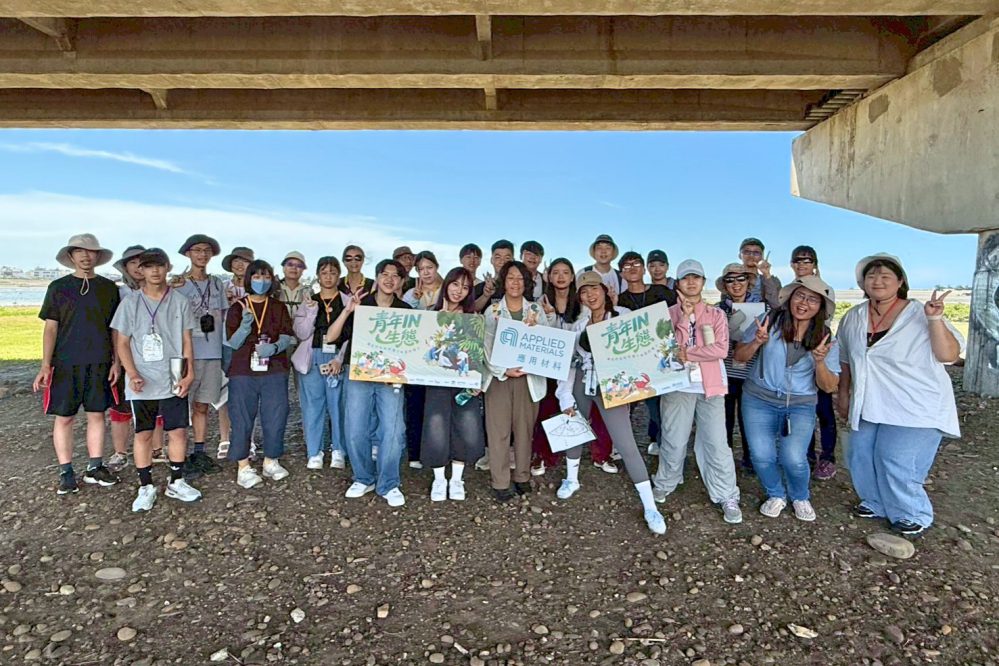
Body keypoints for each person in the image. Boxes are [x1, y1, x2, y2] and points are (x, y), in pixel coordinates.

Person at [837, 254, 962, 537]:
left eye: (885, 277)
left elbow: (949, 355)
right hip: (869, 400)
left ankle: (912, 513)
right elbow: (846, 359)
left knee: (895, 458)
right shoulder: (854, 316)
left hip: (915, 403)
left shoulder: (920, 312)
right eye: (871, 276)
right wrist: (843, 395)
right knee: (860, 454)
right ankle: (876, 502)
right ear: (863, 283)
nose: (877, 281)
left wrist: (935, 318)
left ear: (900, 282)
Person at [553, 271, 668, 535]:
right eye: (583, 291)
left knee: (626, 442)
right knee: (574, 428)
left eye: (594, 289)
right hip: (584, 381)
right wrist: (565, 395)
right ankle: (571, 479)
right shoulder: (578, 324)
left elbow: (644, 346)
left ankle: (650, 505)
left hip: (612, 388)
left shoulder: (622, 317)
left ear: (605, 290)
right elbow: (570, 364)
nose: (590, 295)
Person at [734, 276, 839, 522]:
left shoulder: (824, 336)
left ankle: (800, 496)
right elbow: (739, 356)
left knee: (794, 457)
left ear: (821, 307)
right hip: (758, 399)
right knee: (761, 455)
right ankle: (776, 494)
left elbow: (829, 385)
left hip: (801, 403)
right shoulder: (769, 322)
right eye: (800, 296)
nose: (804, 303)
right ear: (790, 298)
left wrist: (820, 361)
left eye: (813, 299)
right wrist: (756, 342)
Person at [652, 260, 743, 524]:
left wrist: (689, 353)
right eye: (685, 279)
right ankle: (666, 481)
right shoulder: (667, 314)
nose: (691, 283)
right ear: (677, 283)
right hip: (677, 385)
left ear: (703, 282)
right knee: (673, 437)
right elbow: (666, 350)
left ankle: (727, 493)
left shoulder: (716, 315)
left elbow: (720, 350)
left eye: (696, 278)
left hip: (710, 385)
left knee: (716, 441)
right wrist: (683, 318)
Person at [111, 248, 202, 511]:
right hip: (142, 380)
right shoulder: (130, 302)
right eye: (148, 266)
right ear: (140, 270)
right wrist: (132, 373)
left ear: (167, 267)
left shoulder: (180, 301)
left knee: (177, 431)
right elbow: (123, 343)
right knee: (143, 433)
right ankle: (145, 485)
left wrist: (190, 372)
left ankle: (176, 481)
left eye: (159, 266)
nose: (154, 271)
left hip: (173, 376)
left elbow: (186, 340)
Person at [33, 233, 121, 495]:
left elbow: (115, 330)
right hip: (65, 362)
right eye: (79, 251)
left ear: (97, 256)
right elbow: (51, 328)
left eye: (91, 251)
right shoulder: (58, 287)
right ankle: (66, 470)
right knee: (65, 418)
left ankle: (95, 466)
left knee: (97, 414)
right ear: (71, 257)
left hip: (100, 361)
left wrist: (116, 362)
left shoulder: (108, 288)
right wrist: (45, 364)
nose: (85, 256)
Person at [328, 259, 412, 507]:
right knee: (355, 429)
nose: (389, 279)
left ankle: (389, 482)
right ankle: (363, 477)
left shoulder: (406, 310)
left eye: (395, 276)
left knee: (394, 431)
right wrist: (347, 310)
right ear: (376, 277)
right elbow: (331, 337)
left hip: (391, 379)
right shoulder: (360, 305)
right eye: (384, 274)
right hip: (359, 376)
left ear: (401, 281)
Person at [530, 258, 616, 476]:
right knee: (547, 408)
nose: (560, 276)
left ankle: (601, 454)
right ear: (548, 276)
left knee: (595, 410)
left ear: (572, 277)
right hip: (549, 364)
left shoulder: (583, 303)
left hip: (580, 365)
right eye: (555, 272)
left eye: (565, 272)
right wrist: (548, 315)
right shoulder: (540, 301)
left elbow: (583, 333)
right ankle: (544, 455)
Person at [482, 261, 556, 502]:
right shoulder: (492, 311)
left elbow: (547, 344)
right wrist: (503, 369)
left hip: (529, 378)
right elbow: (486, 348)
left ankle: (522, 476)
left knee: (524, 430)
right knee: (498, 431)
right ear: (503, 282)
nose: (515, 282)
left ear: (527, 283)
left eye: (520, 278)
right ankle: (500, 481)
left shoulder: (535, 310)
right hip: (499, 379)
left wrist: (548, 321)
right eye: (510, 278)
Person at [224, 260, 295, 489]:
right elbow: (232, 343)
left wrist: (274, 347)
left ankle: (271, 460)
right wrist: (245, 325)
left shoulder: (278, 307)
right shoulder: (238, 307)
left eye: (265, 277)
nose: (261, 281)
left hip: (274, 369)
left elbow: (289, 336)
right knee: (242, 416)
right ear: (248, 279)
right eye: (256, 276)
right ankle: (243, 466)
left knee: (276, 414)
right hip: (243, 370)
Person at [421, 267, 486, 501]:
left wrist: (478, 379)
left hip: (464, 380)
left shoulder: (474, 319)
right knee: (435, 424)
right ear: (446, 285)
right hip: (435, 379)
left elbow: (479, 352)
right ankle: (439, 479)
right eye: (455, 284)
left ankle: (457, 479)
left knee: (466, 425)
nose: (459, 291)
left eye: (466, 287)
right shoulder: (430, 314)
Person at [174, 234, 226, 477]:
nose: (202, 254)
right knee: (181, 406)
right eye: (197, 250)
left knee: (203, 405)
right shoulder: (178, 285)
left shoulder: (217, 284)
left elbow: (224, 319)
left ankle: (199, 451)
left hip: (213, 353)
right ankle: (179, 456)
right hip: (186, 355)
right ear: (188, 254)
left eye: (207, 250)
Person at [108, 244, 163, 473]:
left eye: (144, 263)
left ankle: (158, 449)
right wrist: (117, 361)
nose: (139, 268)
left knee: (157, 405)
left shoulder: (163, 292)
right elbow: (115, 331)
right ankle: (120, 452)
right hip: (127, 357)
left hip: (156, 359)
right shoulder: (119, 293)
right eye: (133, 263)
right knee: (121, 406)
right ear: (126, 268)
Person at [616, 250, 677, 454]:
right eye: (626, 266)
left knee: (659, 408)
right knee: (624, 406)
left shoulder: (663, 293)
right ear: (621, 273)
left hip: (659, 360)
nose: (632, 269)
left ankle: (665, 446)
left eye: (636, 265)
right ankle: (620, 446)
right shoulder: (619, 301)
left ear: (644, 269)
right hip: (631, 361)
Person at [292, 256, 350, 470]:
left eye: (333, 273)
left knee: (338, 405)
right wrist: (310, 311)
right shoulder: (310, 300)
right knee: (313, 405)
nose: (328, 277)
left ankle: (338, 449)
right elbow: (301, 332)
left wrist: (340, 358)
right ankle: (314, 451)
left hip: (338, 357)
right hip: (312, 355)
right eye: (324, 273)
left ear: (339, 275)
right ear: (317, 276)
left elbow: (351, 334)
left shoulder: (346, 301)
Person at [788, 245, 838, 480]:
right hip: (794, 360)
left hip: (817, 347)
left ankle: (827, 457)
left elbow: (824, 319)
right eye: (797, 260)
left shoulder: (825, 288)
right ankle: (806, 454)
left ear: (815, 264)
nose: (802, 264)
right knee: (801, 411)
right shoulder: (790, 290)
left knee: (824, 409)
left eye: (807, 260)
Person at [715, 262, 764, 474]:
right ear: (724, 286)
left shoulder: (763, 310)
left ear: (749, 282)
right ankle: (723, 462)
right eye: (730, 280)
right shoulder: (716, 311)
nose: (736, 285)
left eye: (741, 279)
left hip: (750, 373)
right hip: (724, 373)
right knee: (723, 419)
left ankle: (750, 458)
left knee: (749, 420)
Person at [219, 246, 254, 460]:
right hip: (226, 344)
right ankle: (225, 437)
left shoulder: (258, 288)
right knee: (225, 393)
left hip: (251, 346)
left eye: (245, 261)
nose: (240, 265)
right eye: (236, 260)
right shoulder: (222, 287)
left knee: (249, 394)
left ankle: (247, 439)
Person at [577, 234, 625, 299]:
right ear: (594, 252)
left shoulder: (621, 277)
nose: (603, 251)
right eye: (599, 248)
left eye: (608, 248)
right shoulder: (582, 273)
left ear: (613, 252)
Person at [738, 237, 780, 309]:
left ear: (762, 256)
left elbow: (776, 305)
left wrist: (767, 275)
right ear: (739, 255)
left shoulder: (773, 281)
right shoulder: (731, 279)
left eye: (756, 252)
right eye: (747, 252)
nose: (751, 255)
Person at [474, 239, 514, 312]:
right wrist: (485, 296)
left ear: (513, 260)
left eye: (507, 258)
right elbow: (470, 311)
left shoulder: (520, 286)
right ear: (491, 260)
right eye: (498, 257)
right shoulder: (480, 288)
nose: (502, 261)